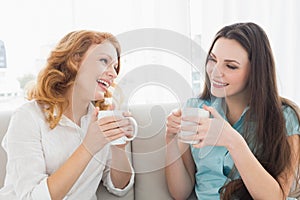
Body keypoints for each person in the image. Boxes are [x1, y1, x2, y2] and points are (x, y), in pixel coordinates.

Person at [165, 22, 300, 199]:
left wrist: (233, 141)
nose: (215, 72)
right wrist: (170, 138)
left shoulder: (285, 117)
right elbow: (180, 193)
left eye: (231, 66)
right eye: (213, 59)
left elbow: (276, 197)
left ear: (255, 72)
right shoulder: (195, 109)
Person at [0, 30, 135, 199]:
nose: (114, 74)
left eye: (115, 67)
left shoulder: (99, 119)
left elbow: (119, 186)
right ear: (74, 62)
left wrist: (118, 147)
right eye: (104, 61)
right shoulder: (27, 117)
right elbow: (32, 197)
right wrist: (88, 147)